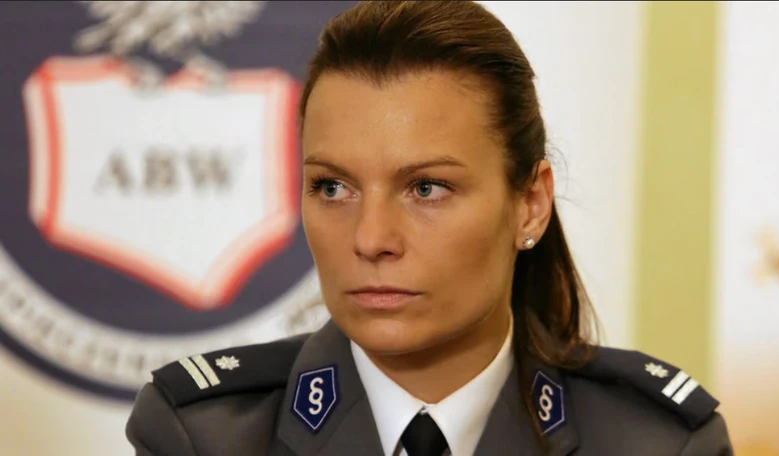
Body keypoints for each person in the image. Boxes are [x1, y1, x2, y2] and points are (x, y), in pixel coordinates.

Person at [125, 2, 733, 455]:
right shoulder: (203, 437)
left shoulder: (657, 442)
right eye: (332, 187)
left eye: (426, 188)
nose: (371, 239)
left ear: (530, 204)